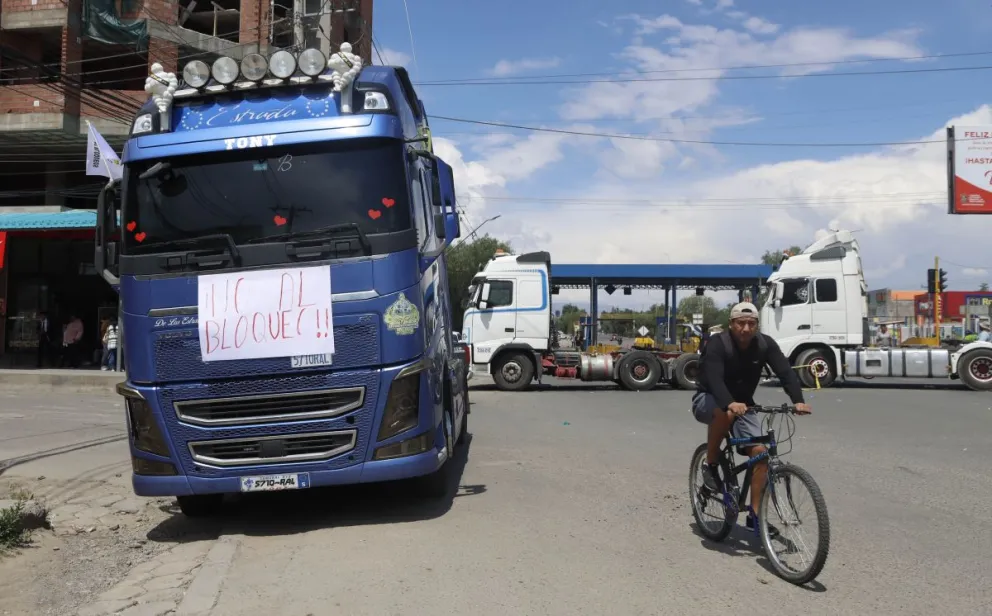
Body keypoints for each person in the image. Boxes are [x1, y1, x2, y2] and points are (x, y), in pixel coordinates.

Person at [691, 302, 811, 529]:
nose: (746, 328)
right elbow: (714, 378)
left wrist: (798, 400)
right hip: (708, 399)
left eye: (751, 323)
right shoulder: (718, 343)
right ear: (731, 324)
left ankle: (755, 516)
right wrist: (729, 402)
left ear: (757, 325)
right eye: (740, 323)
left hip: (744, 405)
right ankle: (711, 464)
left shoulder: (765, 344)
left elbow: (784, 371)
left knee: (761, 454)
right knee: (723, 413)